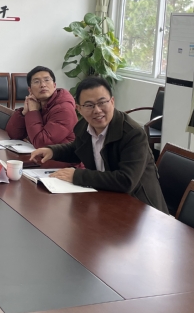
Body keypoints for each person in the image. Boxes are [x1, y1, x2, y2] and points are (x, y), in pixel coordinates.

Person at [30, 76, 168, 213]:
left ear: (112, 102)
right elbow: (77, 148)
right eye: (89, 105)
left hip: (141, 208)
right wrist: (52, 151)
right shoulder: (84, 126)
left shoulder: (133, 134)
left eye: (102, 102)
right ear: (79, 109)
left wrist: (77, 176)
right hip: (106, 200)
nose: (97, 110)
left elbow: (126, 181)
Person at [5, 66, 77, 146]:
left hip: (63, 153)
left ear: (54, 85)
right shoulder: (37, 103)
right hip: (42, 152)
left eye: (47, 80)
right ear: (30, 90)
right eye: (36, 82)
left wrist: (33, 112)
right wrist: (24, 113)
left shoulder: (64, 109)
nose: (43, 85)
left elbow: (41, 143)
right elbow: (14, 135)